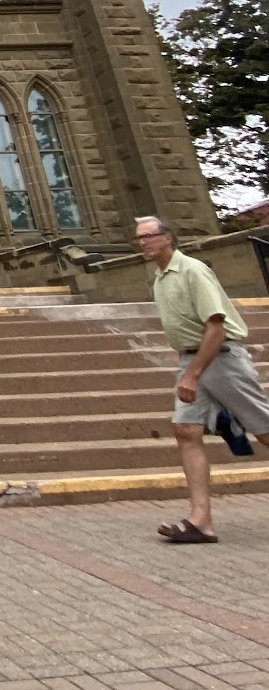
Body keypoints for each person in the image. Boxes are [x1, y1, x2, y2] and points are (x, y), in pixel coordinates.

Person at [135, 216, 269, 543]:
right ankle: (200, 522)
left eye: (148, 236)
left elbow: (216, 327)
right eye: (138, 238)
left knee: (265, 430)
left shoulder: (192, 270)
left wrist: (193, 375)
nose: (142, 243)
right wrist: (190, 368)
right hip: (192, 357)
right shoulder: (160, 278)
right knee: (185, 430)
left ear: (168, 238)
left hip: (221, 358)